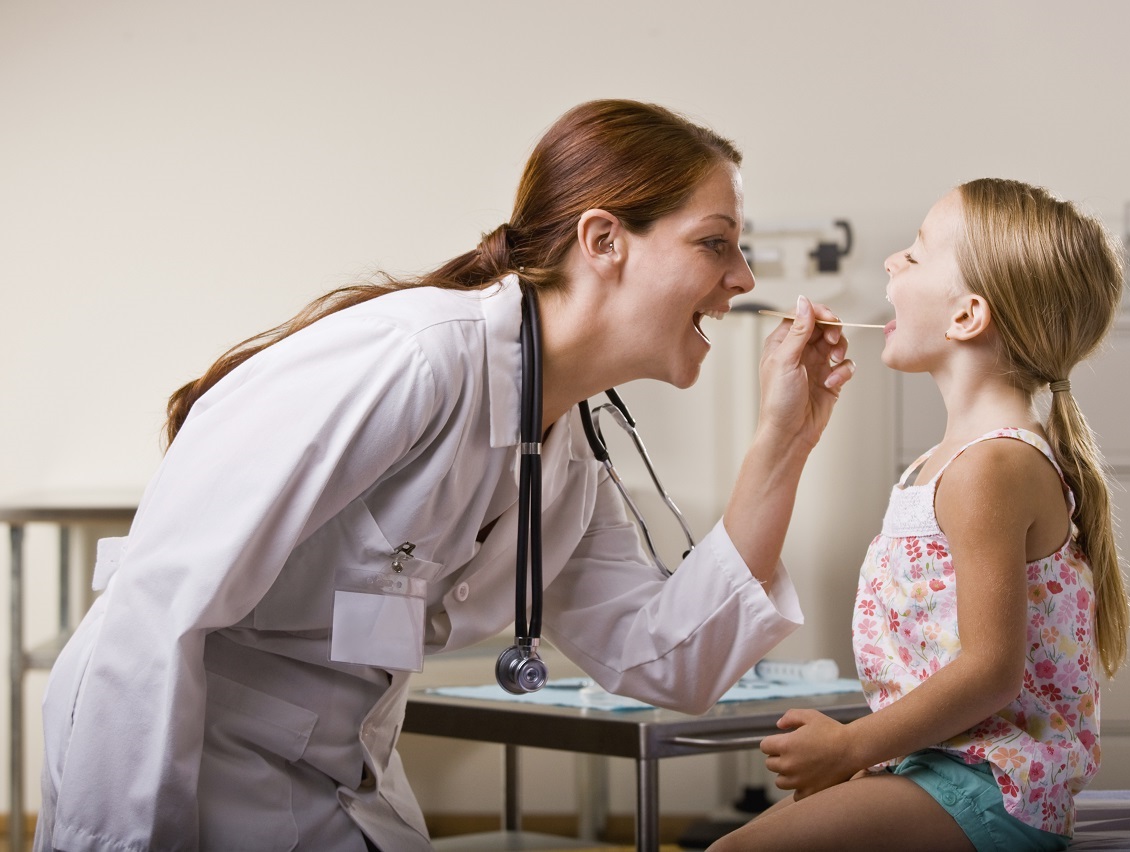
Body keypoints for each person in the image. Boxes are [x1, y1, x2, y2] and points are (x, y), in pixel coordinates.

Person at [34, 99, 855, 852]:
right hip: (193, 790)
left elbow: (669, 662)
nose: (744, 279)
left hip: (347, 792)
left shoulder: (563, 455)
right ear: (603, 241)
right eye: (717, 243)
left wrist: (784, 440)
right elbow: (154, 612)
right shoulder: (414, 360)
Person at [710, 178, 1130, 852]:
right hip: (941, 769)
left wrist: (849, 748)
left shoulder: (993, 467)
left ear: (967, 316)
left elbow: (990, 670)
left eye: (916, 253)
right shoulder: (946, 461)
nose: (890, 263)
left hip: (990, 787)